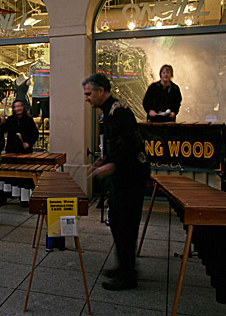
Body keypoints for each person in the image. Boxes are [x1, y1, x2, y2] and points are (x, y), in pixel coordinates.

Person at [83, 73, 149, 291]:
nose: (86, 98)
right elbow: (118, 144)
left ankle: (128, 275)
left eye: (88, 93)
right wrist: (105, 159)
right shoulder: (109, 111)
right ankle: (124, 267)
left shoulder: (118, 111)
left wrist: (114, 165)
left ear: (101, 91)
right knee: (118, 222)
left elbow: (133, 146)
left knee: (125, 225)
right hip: (123, 176)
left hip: (131, 177)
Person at [0, 99, 39, 206]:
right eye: (15, 107)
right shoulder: (10, 120)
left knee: (24, 176)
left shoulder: (29, 120)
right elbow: (2, 131)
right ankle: (3, 197)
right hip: (11, 151)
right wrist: (2, 122)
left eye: (19, 106)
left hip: (24, 152)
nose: (17, 109)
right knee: (7, 175)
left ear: (23, 107)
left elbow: (35, 134)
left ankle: (24, 199)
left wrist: (28, 143)